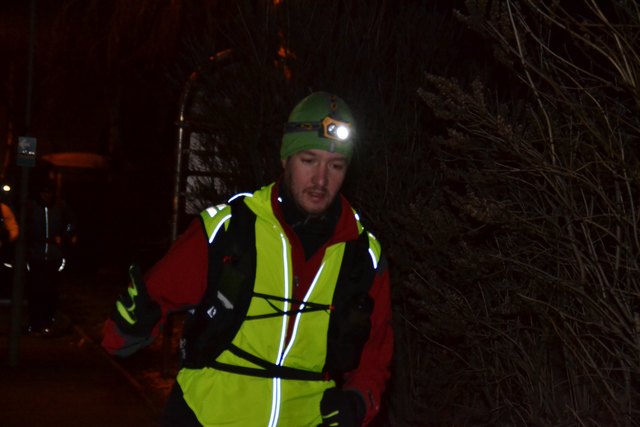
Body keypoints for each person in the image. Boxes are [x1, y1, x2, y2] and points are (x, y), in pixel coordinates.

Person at [102, 92, 394, 426]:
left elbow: (375, 357)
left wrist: (357, 402)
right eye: (308, 160)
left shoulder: (363, 255)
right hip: (207, 417)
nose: (320, 180)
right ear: (285, 159)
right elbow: (151, 300)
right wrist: (130, 325)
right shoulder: (230, 229)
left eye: (336, 166)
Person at [25, 181, 77, 336]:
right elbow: (23, 226)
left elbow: (71, 223)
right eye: (43, 192)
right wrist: (28, 244)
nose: (46, 195)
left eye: (49, 192)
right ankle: (35, 324)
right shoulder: (31, 207)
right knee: (35, 291)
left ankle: (48, 322)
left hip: (55, 256)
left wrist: (64, 236)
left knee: (52, 291)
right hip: (36, 255)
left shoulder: (61, 207)